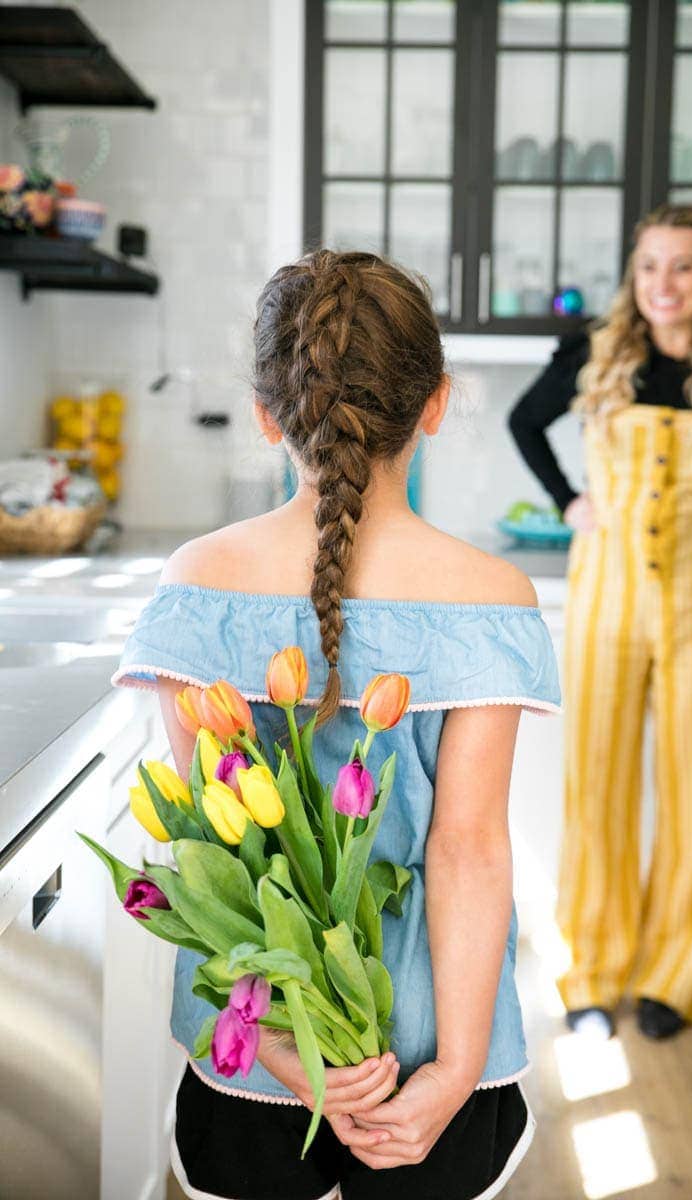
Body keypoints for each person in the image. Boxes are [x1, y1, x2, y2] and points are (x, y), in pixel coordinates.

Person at [113, 250, 561, 1200]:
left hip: (257, 1054)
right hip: (429, 1059)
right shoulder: (492, 595)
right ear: (434, 403)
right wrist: (453, 1068)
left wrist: (276, 1039)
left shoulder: (197, 579)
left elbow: (212, 854)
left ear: (267, 411)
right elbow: (469, 851)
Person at [508, 203, 692, 1043]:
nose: (663, 285)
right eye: (649, 267)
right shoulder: (595, 358)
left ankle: (681, 976)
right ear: (632, 278)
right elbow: (524, 422)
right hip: (608, 596)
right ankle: (594, 976)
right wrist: (570, 500)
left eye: (682, 267)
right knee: (596, 785)